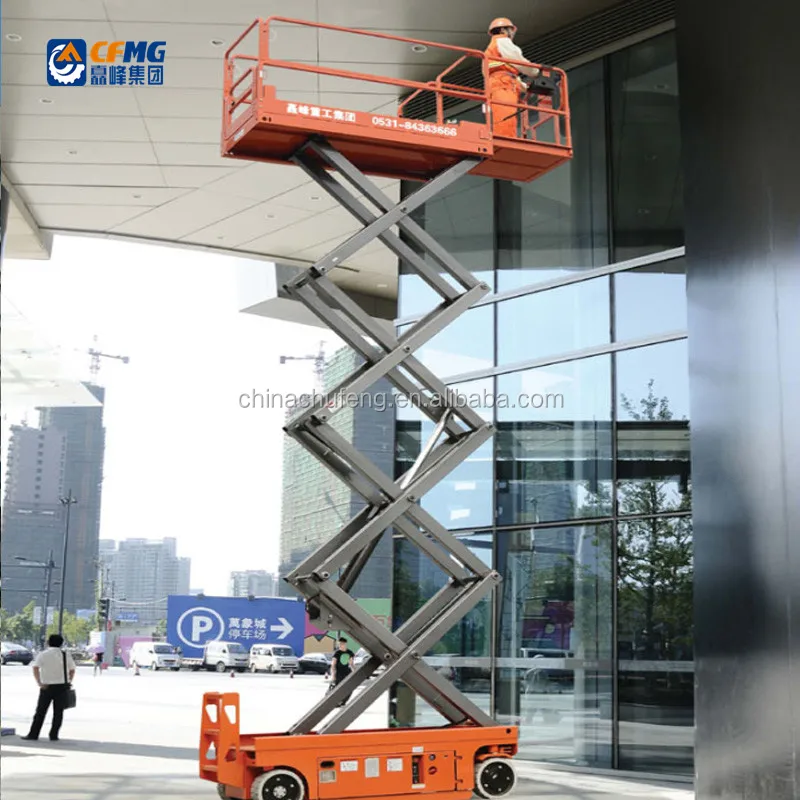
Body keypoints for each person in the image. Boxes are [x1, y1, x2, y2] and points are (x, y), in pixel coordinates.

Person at [485, 17, 540, 137]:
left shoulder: (494, 48)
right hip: (503, 85)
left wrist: (527, 87)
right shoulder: (502, 41)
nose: (513, 33)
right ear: (503, 30)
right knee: (506, 116)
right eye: (511, 29)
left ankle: (505, 139)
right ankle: (505, 140)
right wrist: (536, 72)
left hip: (502, 84)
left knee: (505, 116)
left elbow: (511, 77)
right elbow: (518, 60)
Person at [20, 633, 75, 742]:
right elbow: (72, 670)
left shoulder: (43, 654)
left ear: (48, 642)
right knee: (58, 712)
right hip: (62, 687)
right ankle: (54, 735)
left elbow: (35, 668)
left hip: (46, 687)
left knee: (40, 711)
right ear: (61, 643)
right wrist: (69, 681)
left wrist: (39, 683)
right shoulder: (65, 655)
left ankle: (33, 734)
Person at [330, 637, 355, 707]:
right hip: (338, 673)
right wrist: (333, 675)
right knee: (338, 688)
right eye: (339, 644)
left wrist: (355, 671)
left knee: (350, 687)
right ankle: (336, 702)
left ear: (345, 644)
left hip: (347, 672)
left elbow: (351, 663)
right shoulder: (337, 653)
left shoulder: (349, 652)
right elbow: (333, 665)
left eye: (342, 644)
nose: (340, 645)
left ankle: (343, 701)